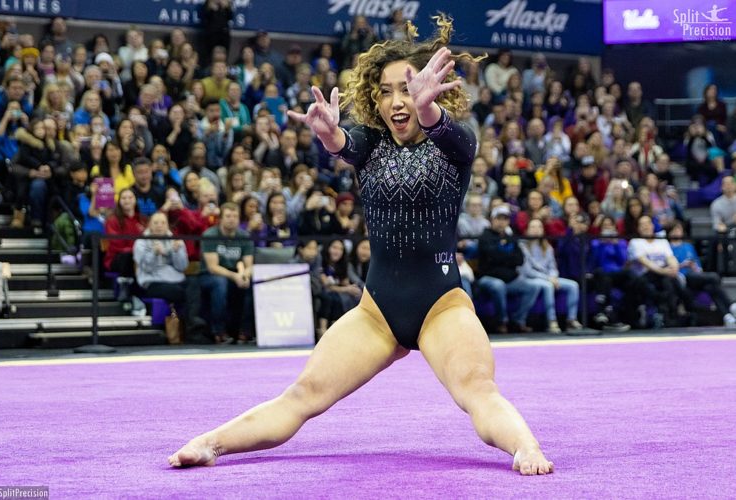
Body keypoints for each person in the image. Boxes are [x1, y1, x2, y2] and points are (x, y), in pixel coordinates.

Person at [169, 18, 553, 475]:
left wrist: (429, 111)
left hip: (442, 306)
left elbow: (447, 132)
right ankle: (213, 443)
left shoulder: (457, 144)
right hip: (376, 312)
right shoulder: (370, 144)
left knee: (478, 391)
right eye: (387, 91)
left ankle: (525, 446)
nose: (397, 101)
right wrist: (330, 134)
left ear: (430, 90)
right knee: (303, 395)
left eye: (408, 88)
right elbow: (344, 144)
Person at [199, 202, 254, 345]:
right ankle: (219, 332)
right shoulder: (210, 235)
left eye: (235, 216)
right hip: (210, 276)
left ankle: (245, 332)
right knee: (220, 283)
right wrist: (235, 276)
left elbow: (249, 264)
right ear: (220, 219)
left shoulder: (244, 236)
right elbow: (213, 267)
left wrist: (245, 276)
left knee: (252, 284)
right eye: (228, 216)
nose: (232, 219)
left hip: (235, 275)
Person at [519, 218, 581, 334]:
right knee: (548, 286)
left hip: (549, 278)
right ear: (527, 230)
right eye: (533, 227)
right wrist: (549, 279)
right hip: (531, 278)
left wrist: (553, 276)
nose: (536, 230)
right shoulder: (522, 246)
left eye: (539, 227)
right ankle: (551, 321)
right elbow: (527, 271)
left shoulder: (547, 247)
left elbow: (553, 267)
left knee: (573, 285)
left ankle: (571, 320)